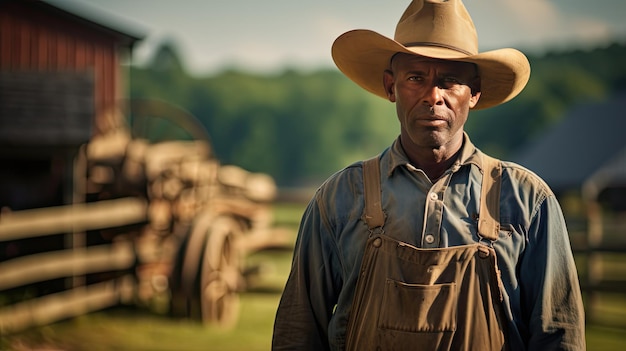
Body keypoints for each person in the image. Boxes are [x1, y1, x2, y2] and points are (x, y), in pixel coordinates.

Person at [272, 0, 586, 350]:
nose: (433, 96)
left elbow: (560, 336)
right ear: (391, 87)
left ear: (474, 93)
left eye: (450, 81)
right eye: (416, 78)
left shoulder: (527, 200)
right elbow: (297, 332)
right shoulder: (339, 198)